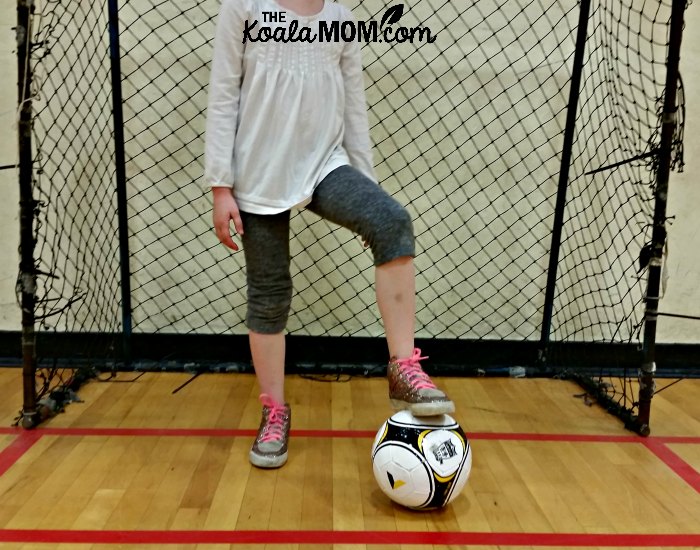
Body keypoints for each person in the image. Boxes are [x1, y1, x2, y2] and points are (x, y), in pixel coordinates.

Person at [204, 0, 454, 469]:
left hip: (324, 164)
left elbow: (354, 110)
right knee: (270, 294)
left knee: (390, 220)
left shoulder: (340, 19)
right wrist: (221, 186)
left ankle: (403, 367)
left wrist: (366, 193)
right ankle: (274, 411)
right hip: (258, 174)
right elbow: (223, 96)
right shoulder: (243, 8)